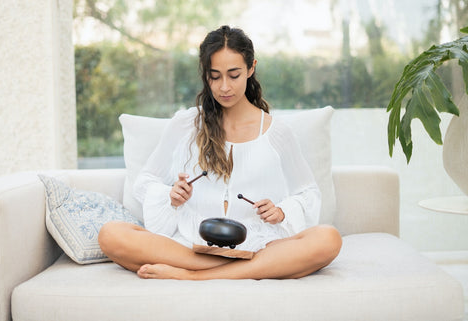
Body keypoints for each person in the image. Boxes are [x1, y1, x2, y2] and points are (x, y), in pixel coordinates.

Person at [98, 25, 342, 280]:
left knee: (328, 238)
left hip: (258, 245)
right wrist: (170, 196)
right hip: (191, 244)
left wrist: (281, 211)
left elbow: (308, 193)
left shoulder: (277, 132)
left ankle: (193, 276)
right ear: (205, 75)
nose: (224, 87)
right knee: (111, 234)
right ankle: (235, 269)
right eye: (215, 76)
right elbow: (145, 182)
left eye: (234, 75)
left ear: (251, 68)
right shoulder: (185, 125)